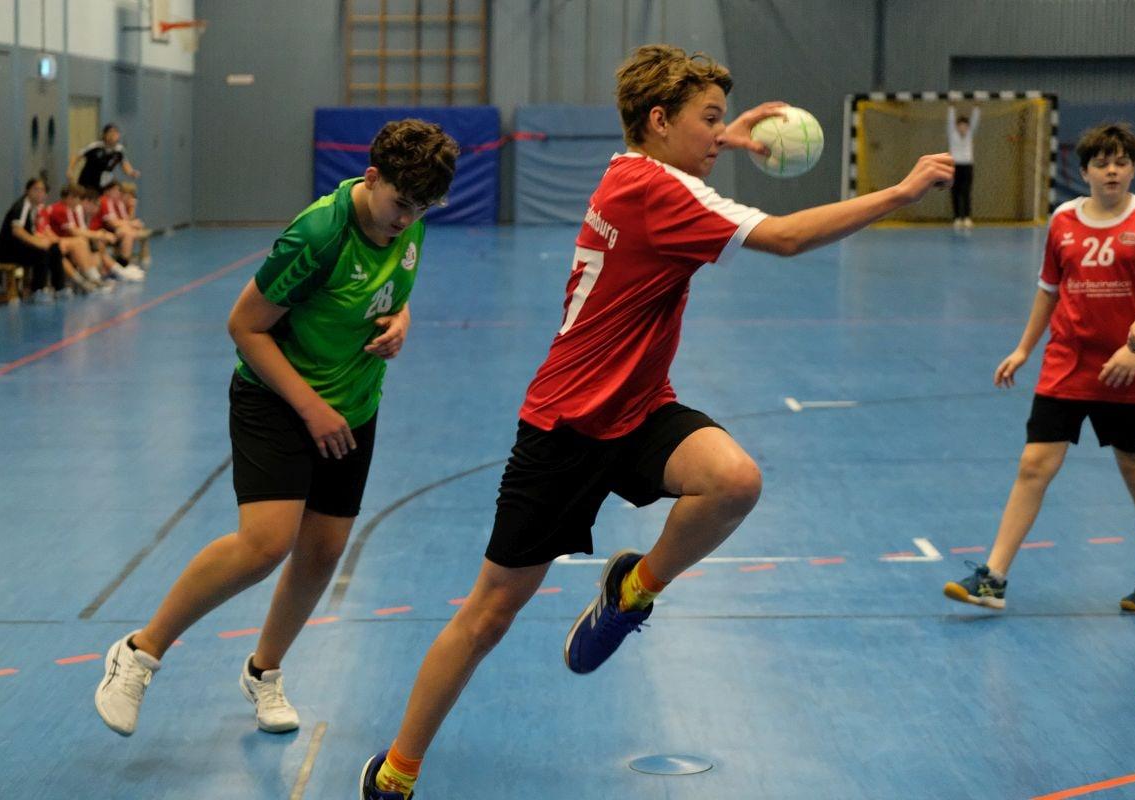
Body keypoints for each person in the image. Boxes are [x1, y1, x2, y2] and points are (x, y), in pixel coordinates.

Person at [356, 44, 954, 799]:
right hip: (566, 426)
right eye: (710, 120)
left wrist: (726, 137)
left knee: (734, 481)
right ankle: (396, 771)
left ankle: (632, 589)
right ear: (661, 120)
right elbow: (788, 238)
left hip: (638, 409)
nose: (719, 134)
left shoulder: (629, 171)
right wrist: (898, 191)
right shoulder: (658, 192)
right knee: (489, 616)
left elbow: (682, 173)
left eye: (722, 121)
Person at [93, 119, 459, 737]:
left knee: (322, 552)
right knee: (265, 544)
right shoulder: (319, 235)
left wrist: (401, 321)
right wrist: (311, 408)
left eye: (424, 208)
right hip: (279, 399)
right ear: (372, 178)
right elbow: (244, 326)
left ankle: (264, 671)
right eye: (402, 203)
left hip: (352, 407)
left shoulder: (408, 219)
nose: (409, 219)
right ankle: (140, 651)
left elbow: (392, 291)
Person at [944, 122, 1135, 613]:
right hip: (1067, 363)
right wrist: (1024, 348)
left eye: (1122, 162)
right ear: (1083, 171)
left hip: (1125, 369)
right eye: (1102, 163)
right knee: (1034, 465)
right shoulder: (1063, 219)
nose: (1112, 171)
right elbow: (1049, 289)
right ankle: (993, 577)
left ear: (1133, 169)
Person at [0, 177, 66, 303]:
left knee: (54, 248)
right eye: (36, 189)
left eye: (42, 190)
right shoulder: (22, 206)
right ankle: (37, 291)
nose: (39, 193)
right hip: (7, 251)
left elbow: (33, 232)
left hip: (22, 248)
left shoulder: (36, 208)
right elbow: (17, 230)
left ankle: (59, 288)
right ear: (27, 191)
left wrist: (48, 240)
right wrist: (38, 243)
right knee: (41, 252)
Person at [68, 123, 140, 193]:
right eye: (110, 132)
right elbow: (77, 156)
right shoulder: (95, 146)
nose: (112, 135)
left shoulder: (119, 150)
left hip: (104, 183)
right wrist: (70, 169)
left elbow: (124, 163)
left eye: (115, 133)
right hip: (88, 180)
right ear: (104, 135)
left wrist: (131, 172)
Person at [947, 104, 981, 230]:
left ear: (968, 127)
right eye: (960, 125)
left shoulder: (970, 134)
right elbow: (950, 122)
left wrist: (977, 108)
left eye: (965, 125)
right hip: (954, 167)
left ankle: (966, 217)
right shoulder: (952, 134)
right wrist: (951, 108)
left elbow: (975, 121)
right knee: (955, 192)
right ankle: (957, 218)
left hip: (967, 167)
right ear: (957, 126)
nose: (962, 128)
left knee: (966, 192)